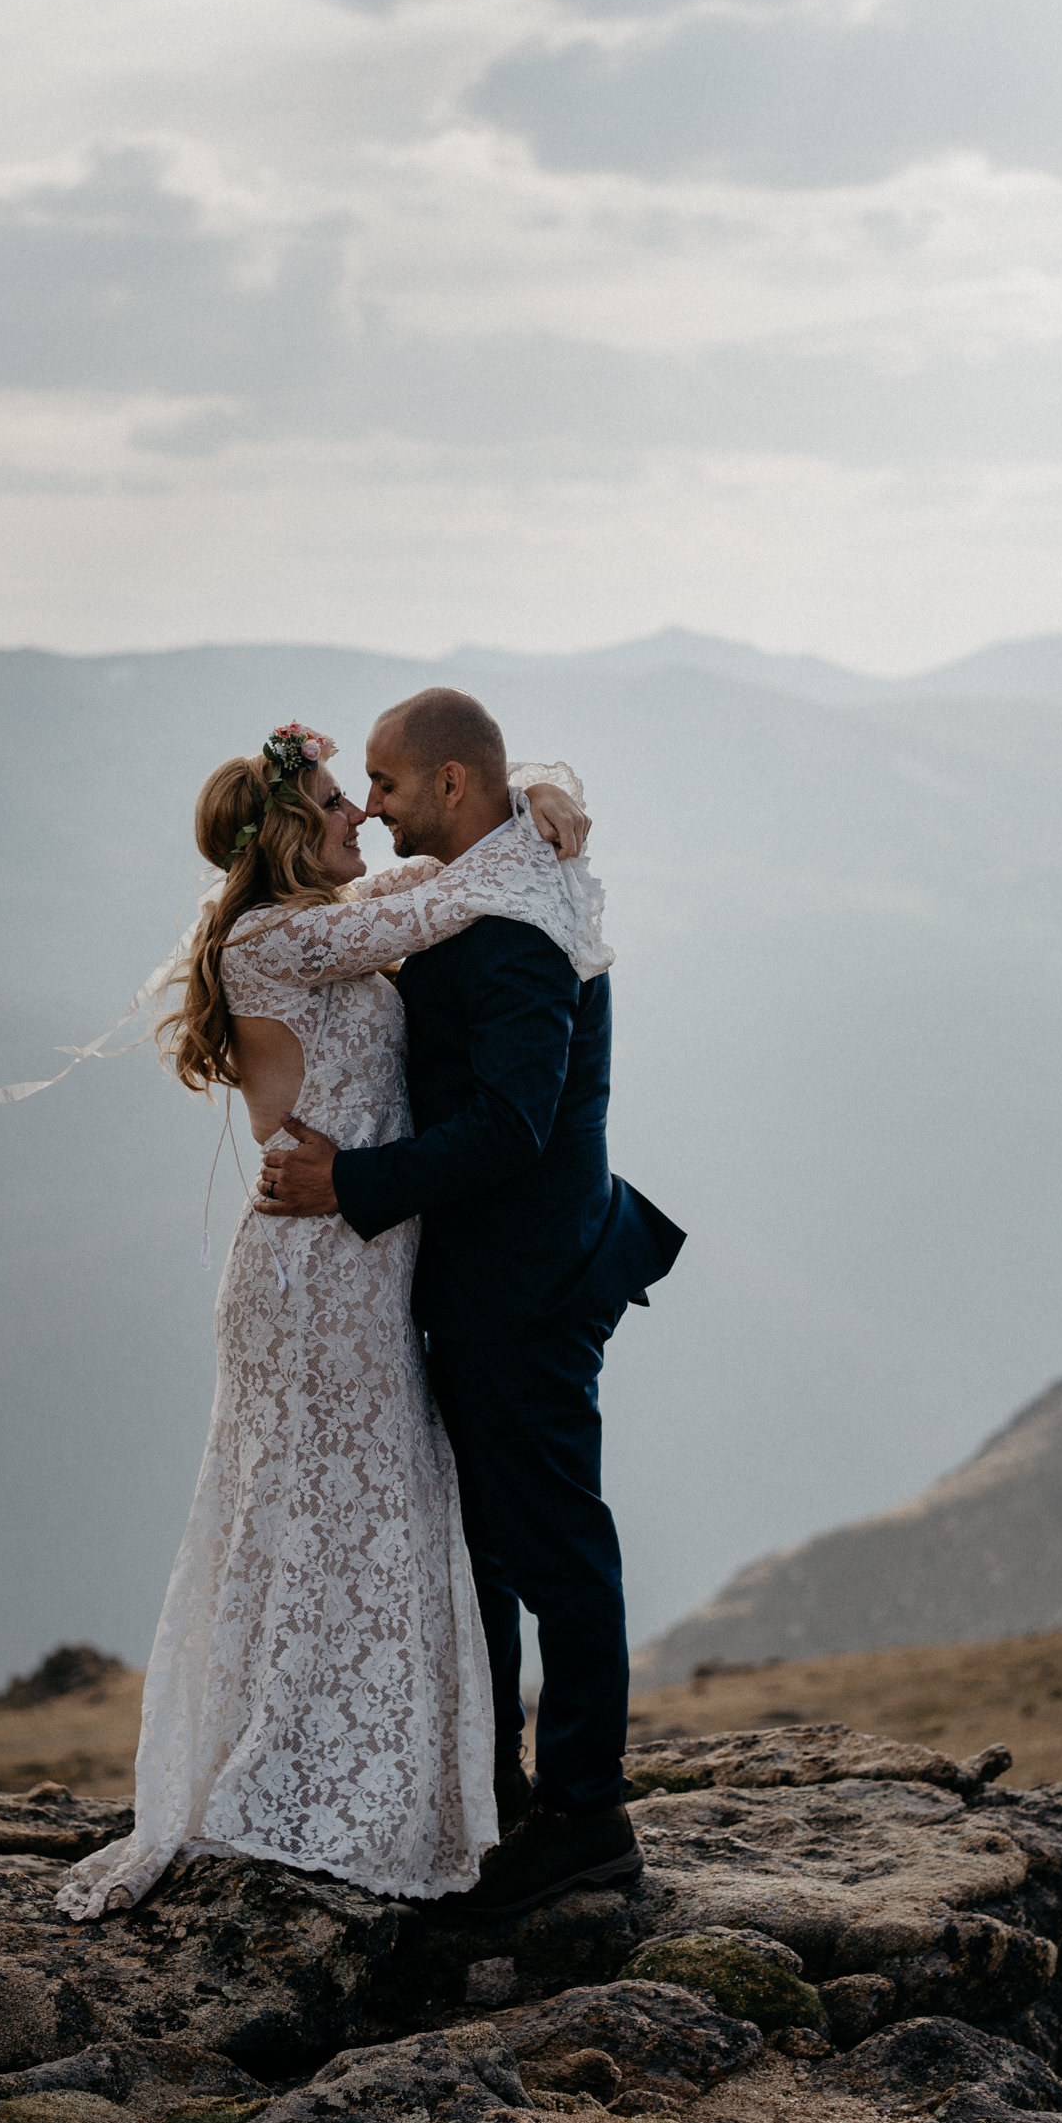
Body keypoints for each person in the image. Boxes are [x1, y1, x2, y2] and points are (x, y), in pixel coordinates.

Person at [54, 723, 602, 1918]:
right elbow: (440, 898)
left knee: (363, 1508)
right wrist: (533, 819)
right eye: (337, 800)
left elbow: (441, 878)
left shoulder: (318, 926)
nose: (361, 810)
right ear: (295, 831)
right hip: (315, 1268)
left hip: (356, 1259)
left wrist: (544, 796)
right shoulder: (278, 936)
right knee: (342, 1510)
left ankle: (371, 1769)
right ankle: (311, 1776)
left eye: (372, 793)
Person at [256, 688, 684, 1918]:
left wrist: (352, 1181)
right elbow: (516, 800)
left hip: (526, 1281)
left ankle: (586, 1816)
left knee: (550, 1544)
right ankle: (494, 1795)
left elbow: (512, 1120)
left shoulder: (507, 927)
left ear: (448, 785)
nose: (373, 805)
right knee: (486, 1544)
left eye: (385, 784)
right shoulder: (509, 863)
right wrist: (548, 786)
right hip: (509, 1267)